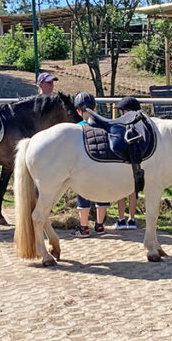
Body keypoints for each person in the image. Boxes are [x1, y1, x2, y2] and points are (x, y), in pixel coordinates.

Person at [71, 92, 109, 235]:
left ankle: (84, 228)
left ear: (78, 111)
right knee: (102, 195)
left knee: (83, 195)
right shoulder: (104, 125)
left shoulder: (76, 128)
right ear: (95, 108)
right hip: (102, 165)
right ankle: (99, 226)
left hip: (84, 167)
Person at [115, 96, 141, 230]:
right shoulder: (141, 127)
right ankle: (132, 219)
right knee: (132, 192)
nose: (120, 114)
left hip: (122, 163)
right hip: (136, 164)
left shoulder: (121, 126)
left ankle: (121, 219)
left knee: (121, 192)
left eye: (122, 111)